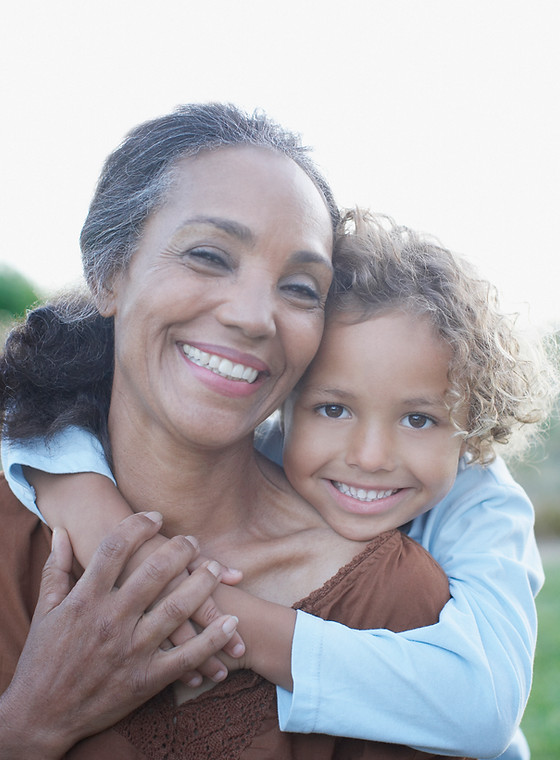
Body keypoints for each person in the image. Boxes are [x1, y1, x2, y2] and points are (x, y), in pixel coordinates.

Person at [0, 104, 551, 758]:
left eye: (299, 287)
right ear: (109, 273)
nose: (253, 316)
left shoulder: (403, 592)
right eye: (209, 255)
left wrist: (209, 610)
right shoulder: (29, 499)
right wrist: (30, 725)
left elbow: (483, 705)